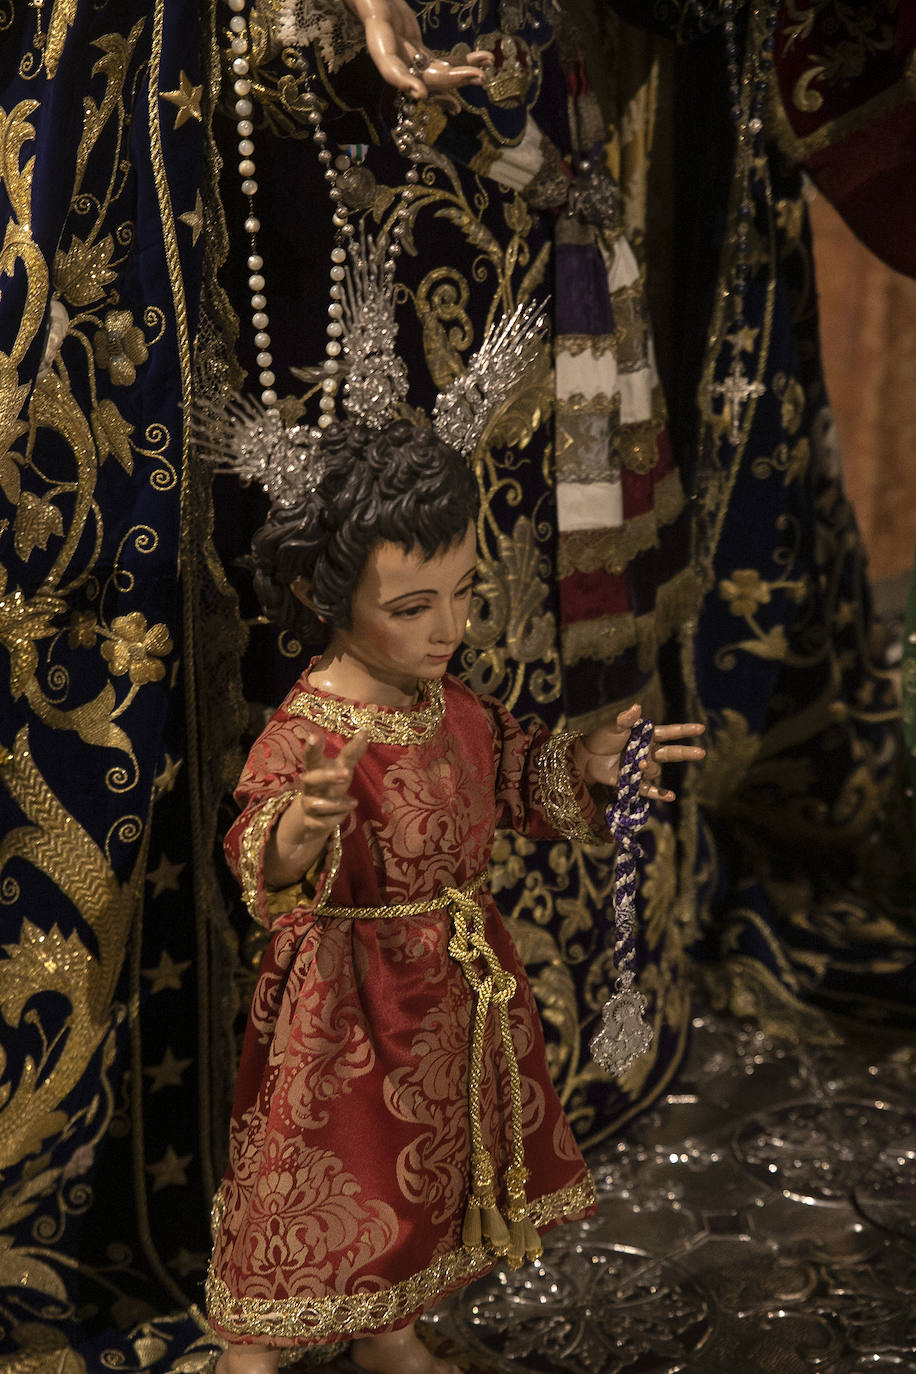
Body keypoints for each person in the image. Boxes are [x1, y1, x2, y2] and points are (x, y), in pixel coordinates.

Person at [205, 419, 705, 1374]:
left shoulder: (449, 703)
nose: (448, 629)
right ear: (325, 596)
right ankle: (251, 1358)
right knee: (318, 1184)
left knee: (420, 1188)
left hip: (454, 1001)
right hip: (346, 1019)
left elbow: (516, 776)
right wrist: (302, 828)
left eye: (465, 593)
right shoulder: (309, 726)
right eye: (413, 604)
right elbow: (258, 848)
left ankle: (389, 1337)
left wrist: (591, 767)